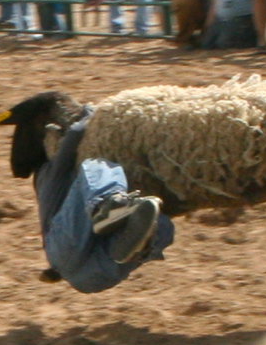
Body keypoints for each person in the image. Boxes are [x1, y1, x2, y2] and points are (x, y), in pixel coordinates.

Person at [26, 107, 175, 293]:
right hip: (67, 250)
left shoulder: (48, 186)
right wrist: (91, 115)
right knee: (96, 164)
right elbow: (75, 135)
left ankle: (121, 243)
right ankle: (105, 206)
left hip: (90, 280)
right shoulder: (46, 172)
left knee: (160, 220)